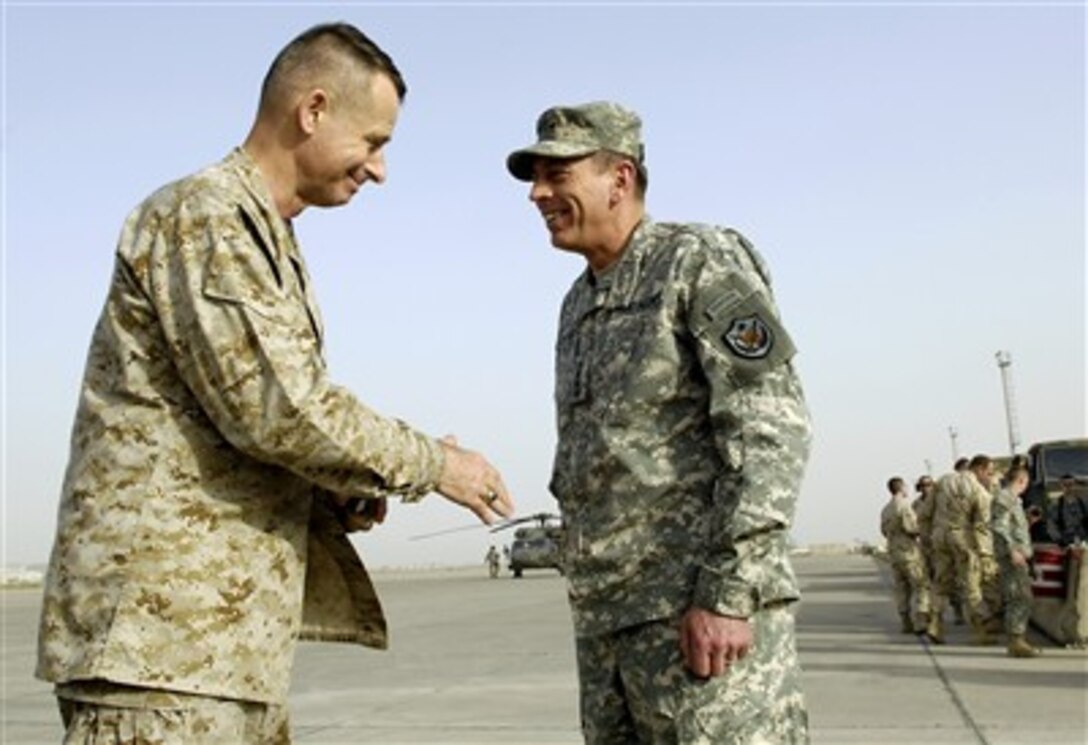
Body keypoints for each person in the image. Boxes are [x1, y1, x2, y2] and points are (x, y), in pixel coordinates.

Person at [36, 22, 514, 743]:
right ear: (313, 110)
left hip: (214, 655)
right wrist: (437, 464)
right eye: (374, 142)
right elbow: (279, 408)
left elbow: (240, 422)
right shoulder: (206, 217)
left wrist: (335, 489)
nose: (379, 169)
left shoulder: (262, 235)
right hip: (161, 657)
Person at [506, 101, 812, 743]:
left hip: (696, 621)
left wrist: (729, 592)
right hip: (609, 626)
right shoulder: (578, 302)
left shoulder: (699, 260)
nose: (538, 193)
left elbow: (770, 428)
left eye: (558, 174)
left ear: (620, 178)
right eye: (536, 176)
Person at [928, 455, 996, 645]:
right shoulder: (978, 490)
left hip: (940, 536)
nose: (989, 477)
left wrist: (928, 539)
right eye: (989, 473)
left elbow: (925, 513)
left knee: (941, 582)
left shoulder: (943, 480)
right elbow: (982, 525)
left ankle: (935, 622)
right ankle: (979, 631)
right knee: (971, 584)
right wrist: (985, 553)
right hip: (963, 538)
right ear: (980, 469)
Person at [990, 466, 1041, 658]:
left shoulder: (1014, 501)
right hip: (1012, 556)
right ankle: (1016, 641)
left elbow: (1011, 526)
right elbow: (999, 527)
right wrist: (1012, 550)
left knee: (1021, 595)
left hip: (1018, 554)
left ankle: (1018, 638)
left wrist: (1027, 521)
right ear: (1022, 480)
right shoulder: (1004, 498)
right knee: (1019, 596)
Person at [881, 478, 932, 634]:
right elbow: (911, 528)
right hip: (909, 552)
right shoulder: (904, 506)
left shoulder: (886, 509)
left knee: (902, 589)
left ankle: (905, 622)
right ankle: (921, 621)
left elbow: (884, 531)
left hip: (894, 553)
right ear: (901, 488)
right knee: (921, 586)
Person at [1049, 474, 1087, 548]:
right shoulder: (1056, 506)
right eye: (1065, 485)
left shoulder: (1083, 503)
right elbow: (1051, 525)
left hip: (1083, 540)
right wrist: (1060, 540)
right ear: (1061, 486)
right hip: (1066, 542)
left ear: (1075, 485)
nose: (1068, 487)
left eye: (1071, 484)